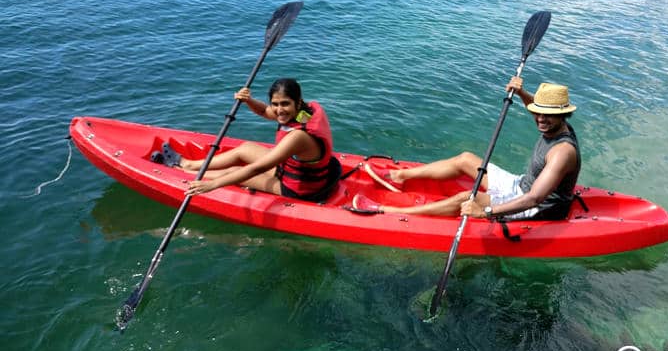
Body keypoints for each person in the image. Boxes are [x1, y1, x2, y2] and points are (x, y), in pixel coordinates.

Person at [353, 78, 580, 221]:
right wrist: (521, 93)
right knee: (465, 159)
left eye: (546, 114)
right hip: (521, 184)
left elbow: (534, 198)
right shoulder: (554, 124)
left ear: (562, 114)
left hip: (538, 208)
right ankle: (398, 177)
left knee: (466, 198)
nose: (540, 118)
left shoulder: (562, 152)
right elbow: (539, 112)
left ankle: (389, 212)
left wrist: (485, 212)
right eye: (537, 111)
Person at [158, 78, 340, 201]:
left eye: (285, 104)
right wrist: (248, 100)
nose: (279, 110)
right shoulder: (306, 112)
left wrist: (212, 186)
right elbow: (263, 111)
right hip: (295, 171)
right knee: (245, 148)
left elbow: (258, 168)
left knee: (237, 171)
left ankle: (184, 175)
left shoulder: (298, 136)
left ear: (297, 102)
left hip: (299, 188)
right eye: (275, 104)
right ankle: (189, 164)